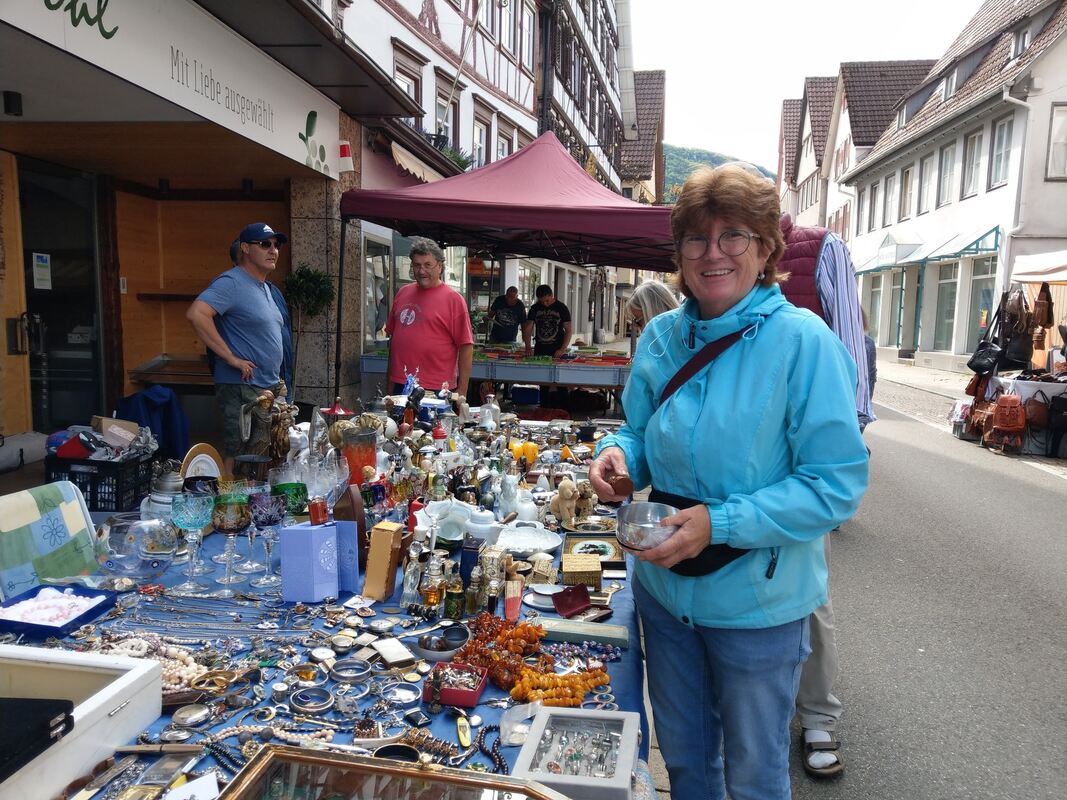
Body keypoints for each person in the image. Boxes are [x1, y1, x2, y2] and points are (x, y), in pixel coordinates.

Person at [589, 164, 869, 800]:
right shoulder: (660, 338)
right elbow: (638, 432)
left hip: (757, 606)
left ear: (766, 247)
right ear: (679, 253)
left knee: (754, 776)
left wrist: (719, 523)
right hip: (663, 594)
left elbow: (836, 483)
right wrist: (616, 455)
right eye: (696, 238)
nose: (713, 253)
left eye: (733, 235)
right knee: (687, 768)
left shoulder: (805, 343)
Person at [777, 210, 873, 779]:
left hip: (807, 445)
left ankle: (817, 716)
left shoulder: (823, 248)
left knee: (809, 592)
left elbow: (850, 340)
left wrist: (846, 434)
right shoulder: (723, 257)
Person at [187, 223, 293, 474]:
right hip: (242, 387)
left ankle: (253, 508)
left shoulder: (267, 288)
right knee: (240, 456)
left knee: (263, 455)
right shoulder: (232, 282)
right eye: (264, 244)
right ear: (245, 248)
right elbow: (197, 314)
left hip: (267, 387)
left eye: (276, 245)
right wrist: (231, 358)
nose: (273, 250)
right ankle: (232, 509)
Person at [385, 237, 473, 398]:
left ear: (439, 266)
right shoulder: (402, 293)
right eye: (417, 265)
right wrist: (389, 384)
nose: (421, 271)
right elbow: (394, 341)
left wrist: (462, 392)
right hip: (401, 384)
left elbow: (466, 346)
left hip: (437, 387)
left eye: (427, 265)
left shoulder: (453, 299)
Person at [523, 284, 572, 358]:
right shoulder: (534, 308)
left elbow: (568, 330)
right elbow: (528, 328)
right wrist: (528, 347)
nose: (545, 304)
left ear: (551, 295)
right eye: (542, 302)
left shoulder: (562, 308)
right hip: (540, 349)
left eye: (547, 300)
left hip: (557, 350)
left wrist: (562, 349)